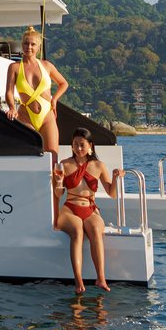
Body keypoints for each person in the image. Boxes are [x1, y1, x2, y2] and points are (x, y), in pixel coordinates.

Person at [53, 126, 123, 295]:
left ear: (90, 145)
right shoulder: (64, 165)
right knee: (77, 231)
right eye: (75, 144)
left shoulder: (99, 166)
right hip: (70, 208)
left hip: (90, 208)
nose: (78, 148)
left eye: (82, 145)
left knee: (96, 230)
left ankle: (101, 278)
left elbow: (112, 194)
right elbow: (58, 194)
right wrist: (58, 181)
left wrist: (115, 178)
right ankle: (78, 281)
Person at [4, 27, 68, 160]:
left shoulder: (47, 66)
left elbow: (63, 83)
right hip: (25, 115)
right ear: (22, 45)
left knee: (52, 158)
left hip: (47, 117)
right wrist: (11, 107)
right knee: (32, 157)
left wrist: (54, 99)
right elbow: (9, 92)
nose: (29, 47)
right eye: (26, 43)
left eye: (33, 44)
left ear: (38, 47)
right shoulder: (14, 67)